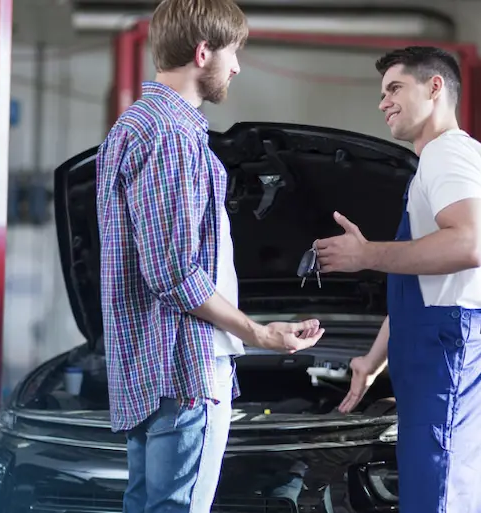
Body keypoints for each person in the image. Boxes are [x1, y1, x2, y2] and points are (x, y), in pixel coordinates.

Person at [94, 0, 325, 511]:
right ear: (203, 53)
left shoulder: (132, 127)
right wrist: (259, 334)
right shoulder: (173, 137)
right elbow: (174, 273)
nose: (238, 66)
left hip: (148, 371)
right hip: (183, 371)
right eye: (234, 52)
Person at [315, 46, 481, 513]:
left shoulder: (447, 155)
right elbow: (428, 286)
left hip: (448, 355)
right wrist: (372, 358)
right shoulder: (450, 159)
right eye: (382, 92)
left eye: (395, 88)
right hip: (448, 348)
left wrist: (366, 254)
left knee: (438, 500)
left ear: (435, 87)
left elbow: (468, 245)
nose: (383, 102)